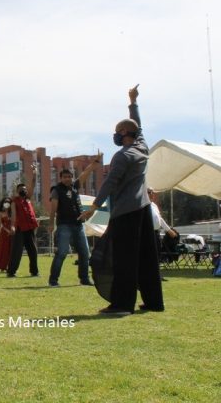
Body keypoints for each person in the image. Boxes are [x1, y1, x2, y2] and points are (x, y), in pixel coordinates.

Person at [80, 85, 164, 315]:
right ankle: (154, 302)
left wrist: (93, 207)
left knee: (123, 259)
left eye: (117, 131)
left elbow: (110, 184)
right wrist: (133, 102)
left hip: (126, 212)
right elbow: (138, 125)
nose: (115, 135)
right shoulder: (142, 147)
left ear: (125, 133)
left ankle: (122, 305)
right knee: (147, 258)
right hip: (143, 209)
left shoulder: (122, 156)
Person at [46, 157, 101, 287]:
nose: (67, 179)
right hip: (64, 225)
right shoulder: (56, 190)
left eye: (70, 177)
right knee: (62, 252)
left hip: (78, 225)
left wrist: (94, 164)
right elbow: (53, 209)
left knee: (85, 253)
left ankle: (84, 279)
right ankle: (53, 280)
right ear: (60, 178)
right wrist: (51, 224)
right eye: (65, 177)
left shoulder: (75, 186)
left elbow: (85, 174)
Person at [6, 164, 39, 278]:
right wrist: (12, 226)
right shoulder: (14, 201)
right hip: (19, 229)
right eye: (21, 189)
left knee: (33, 251)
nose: (23, 190)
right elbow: (13, 215)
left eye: (24, 189)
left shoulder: (28, 198)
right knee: (17, 251)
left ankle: (34, 272)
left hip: (30, 228)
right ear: (17, 191)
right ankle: (11, 272)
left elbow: (33, 184)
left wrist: (35, 173)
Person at [0, 197, 13, 272]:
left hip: (13, 233)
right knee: (4, 250)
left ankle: (11, 267)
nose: (7, 203)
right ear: (2, 203)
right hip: (4, 234)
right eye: (5, 202)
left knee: (12, 250)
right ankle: (2, 266)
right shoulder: (0, 213)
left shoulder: (13, 212)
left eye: (8, 202)